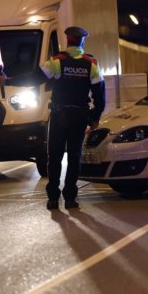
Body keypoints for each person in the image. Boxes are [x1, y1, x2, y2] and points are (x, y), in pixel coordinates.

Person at [41, 26, 106, 210]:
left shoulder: (56, 61)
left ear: (68, 40)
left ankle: (53, 198)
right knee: (74, 157)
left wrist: (9, 78)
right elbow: (100, 95)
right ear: (82, 41)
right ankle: (70, 198)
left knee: (54, 156)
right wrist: (94, 117)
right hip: (79, 116)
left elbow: (36, 77)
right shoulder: (91, 63)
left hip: (59, 115)